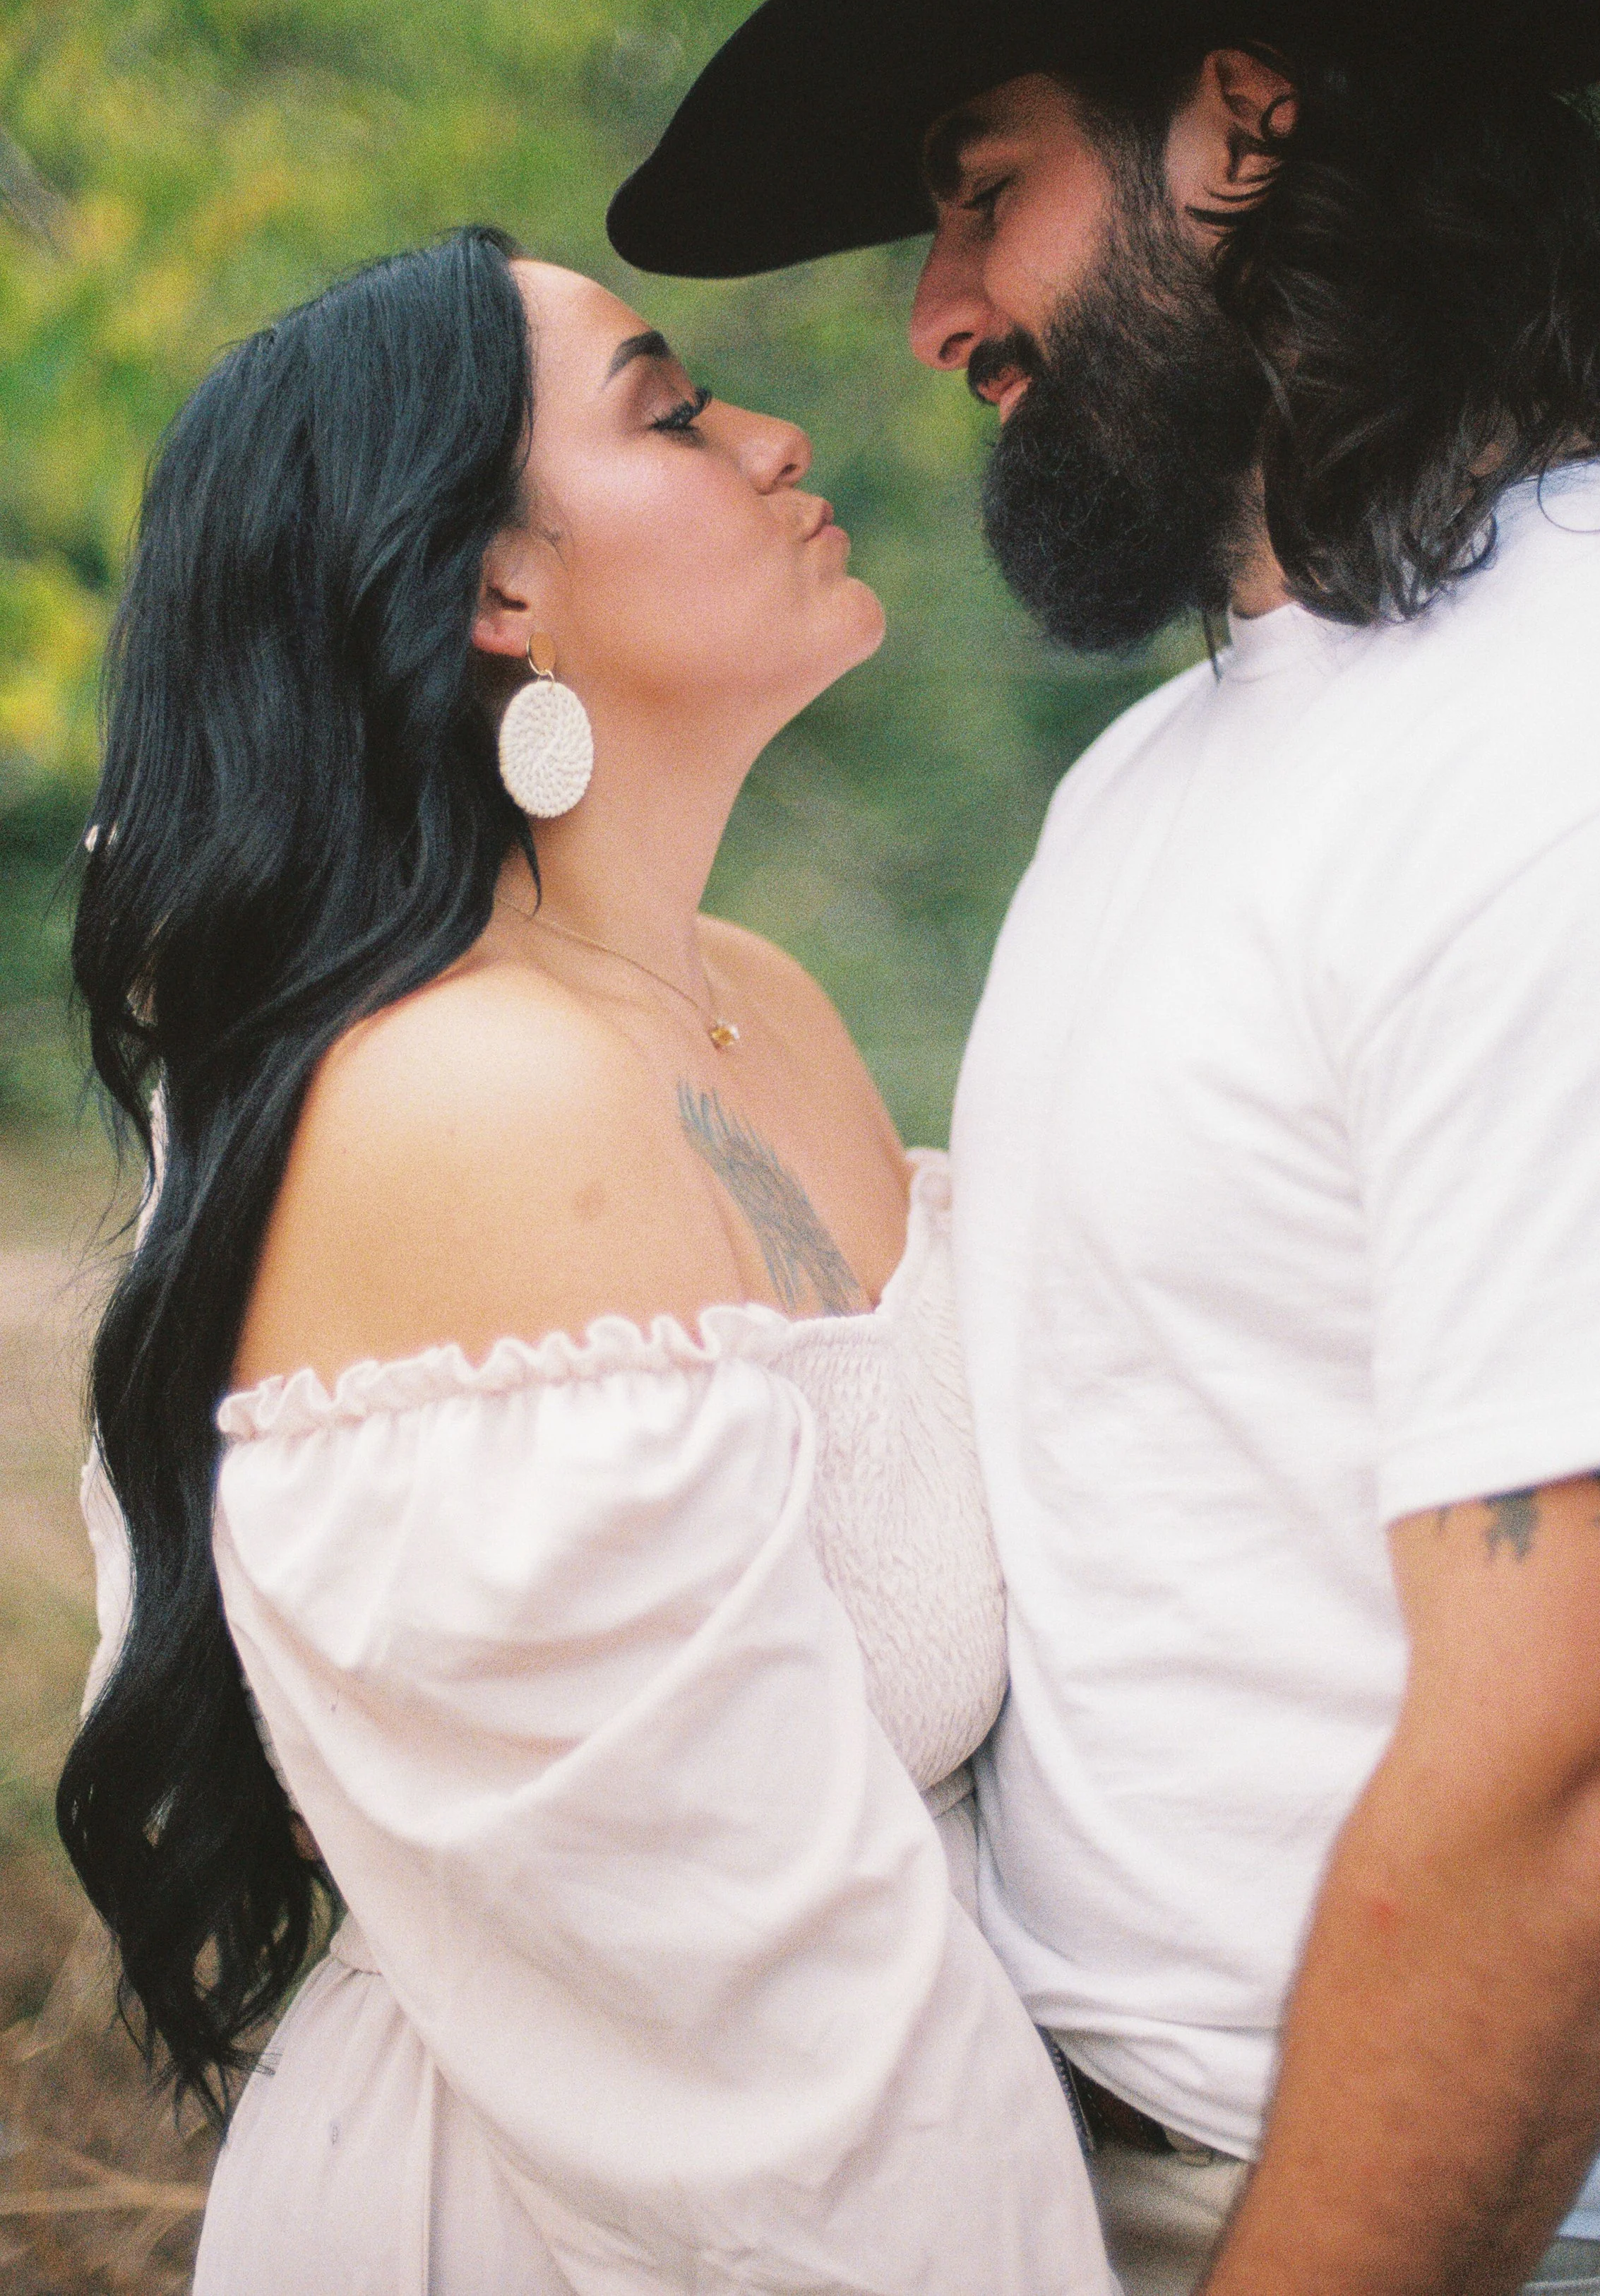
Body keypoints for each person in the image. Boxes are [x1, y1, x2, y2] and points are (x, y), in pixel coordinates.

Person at [608, 0, 1600, 2296]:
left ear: (1240, 127)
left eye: (977, 193)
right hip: (1088, 2175)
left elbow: (1587, 1761)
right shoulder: (1180, 761)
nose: (931, 313)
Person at [59, 228, 1112, 2293]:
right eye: (671, 406)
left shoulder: (760, 1004)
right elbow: (754, 1992)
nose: (777, 430)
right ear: (494, 589)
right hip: (596, 2212)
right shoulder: (472, 1104)